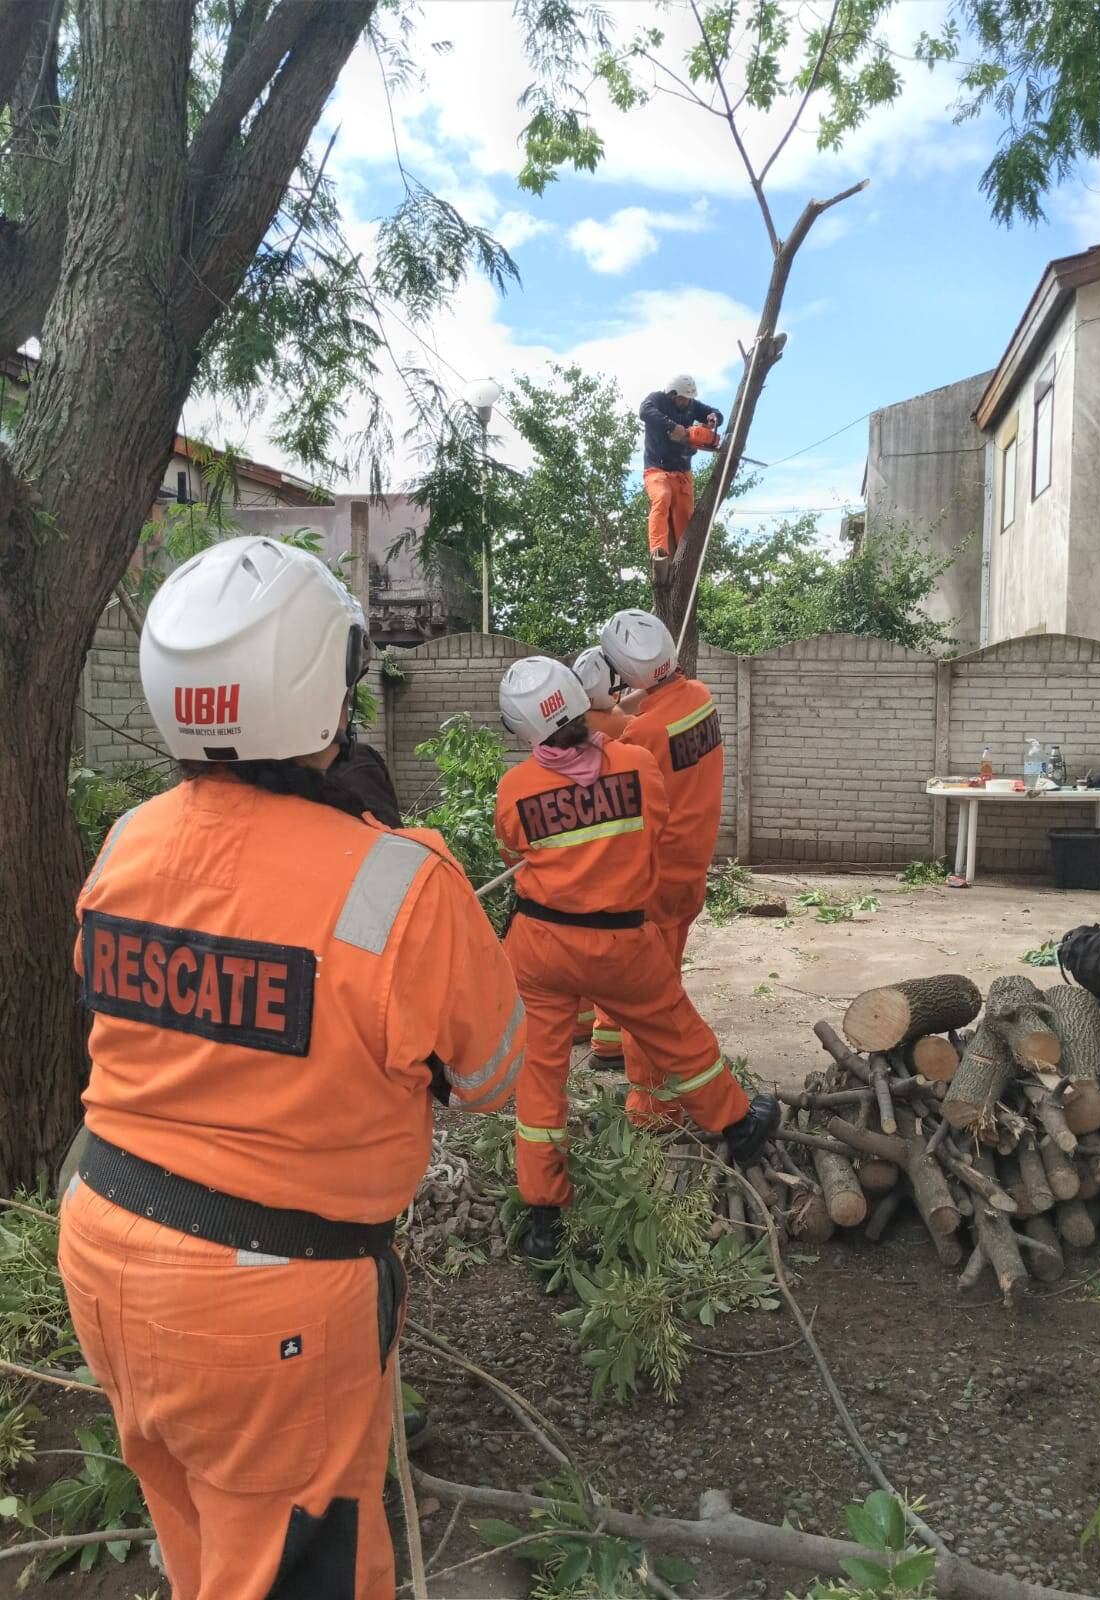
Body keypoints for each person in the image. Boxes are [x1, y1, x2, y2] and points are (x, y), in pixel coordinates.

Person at [58, 536, 524, 1600]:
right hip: (267, 1313)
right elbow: (496, 1073)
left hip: (104, 1248)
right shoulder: (402, 884)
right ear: (328, 687)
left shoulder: (125, 842)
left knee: (201, 1546)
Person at [494, 656, 778, 1260]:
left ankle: (544, 1210)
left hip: (540, 947)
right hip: (621, 942)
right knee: (673, 1030)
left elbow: (514, 847)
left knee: (540, 1072)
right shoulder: (639, 765)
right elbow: (657, 826)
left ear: (523, 730)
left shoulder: (516, 789)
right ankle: (738, 1125)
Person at [587, 612, 723, 1113]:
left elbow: (604, 747)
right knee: (642, 965)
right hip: (692, 866)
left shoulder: (642, 736)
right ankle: (603, 1034)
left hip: (654, 877)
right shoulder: (701, 700)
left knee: (649, 990)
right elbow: (648, 710)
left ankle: (652, 1100)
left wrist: (589, 709)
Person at [639, 375, 723, 566]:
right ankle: (659, 551)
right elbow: (644, 411)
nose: (686, 402)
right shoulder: (657, 400)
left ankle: (685, 561)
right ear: (672, 394)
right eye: (683, 398)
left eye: (688, 399)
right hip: (657, 470)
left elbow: (715, 413)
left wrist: (714, 418)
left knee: (684, 516)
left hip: (682, 474)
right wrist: (672, 426)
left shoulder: (692, 405)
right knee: (662, 497)